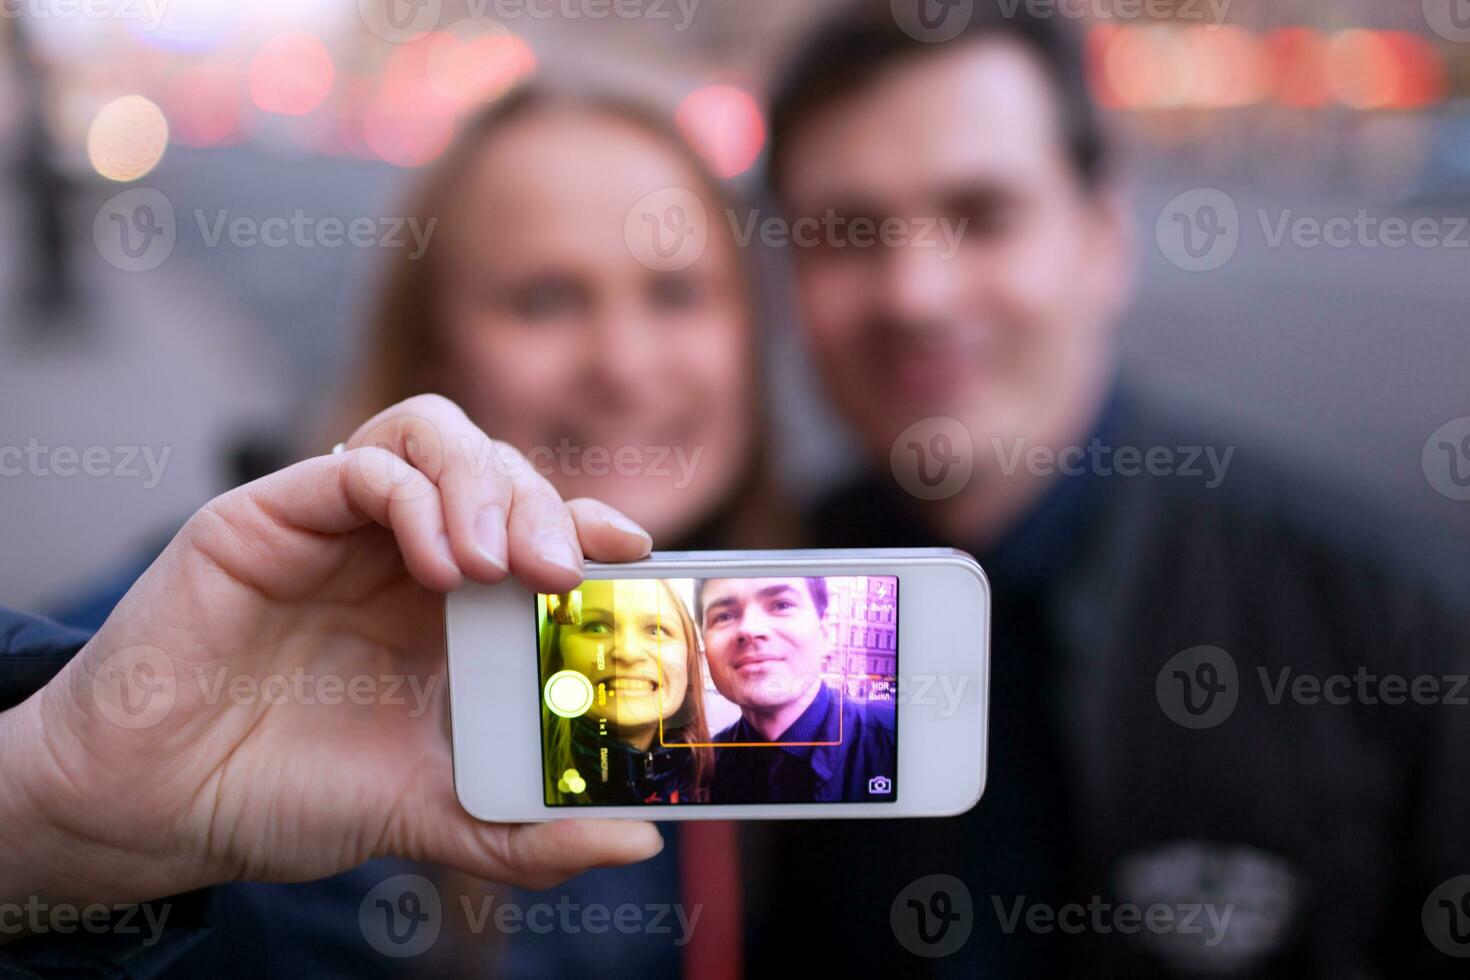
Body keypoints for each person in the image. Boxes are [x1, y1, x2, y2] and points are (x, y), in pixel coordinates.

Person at [743, 2, 1470, 977]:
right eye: (849, 230)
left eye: (982, 217)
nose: (915, 291)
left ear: (1103, 238)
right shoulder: (750, 614)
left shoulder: (1388, 622)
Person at [0, 396, 666, 974]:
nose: (623, 363)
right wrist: (46, 807)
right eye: (541, 302)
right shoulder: (244, 600)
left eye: (674, 294)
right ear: (431, 339)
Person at [696, 576, 895, 803]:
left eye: (782, 605)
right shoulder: (700, 770)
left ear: (825, 634)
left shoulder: (893, 740)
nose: (750, 629)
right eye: (724, 616)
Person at [541, 579, 713, 805]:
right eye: (596, 627)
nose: (628, 652)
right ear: (558, 655)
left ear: (689, 663)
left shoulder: (719, 787)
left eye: (656, 630)